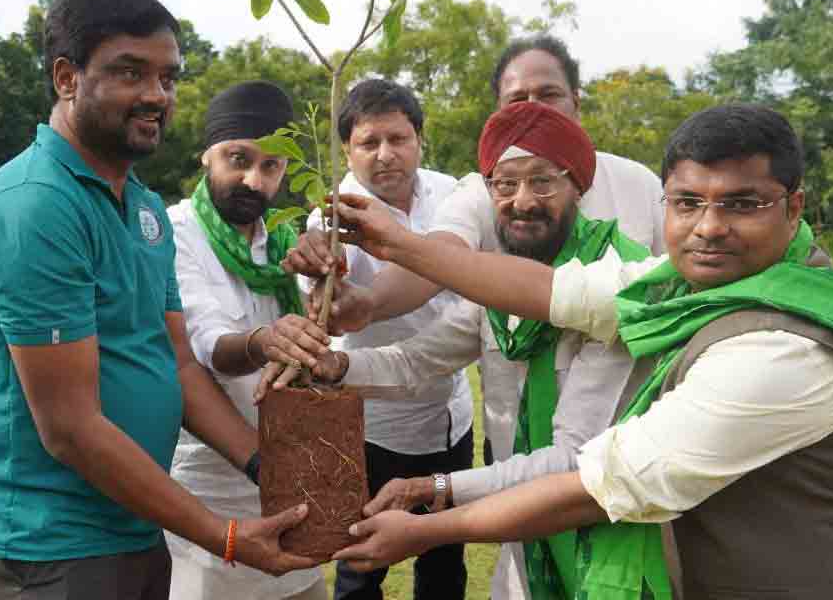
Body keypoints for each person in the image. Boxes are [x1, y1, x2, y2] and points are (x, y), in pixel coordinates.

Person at [287, 104, 833, 599]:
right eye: (689, 203)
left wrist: (432, 519)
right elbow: (551, 294)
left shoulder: (783, 348)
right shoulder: (672, 287)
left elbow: (601, 481)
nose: (710, 227)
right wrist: (387, 250)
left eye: (741, 205)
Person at [0, 0, 316, 600]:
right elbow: (69, 427)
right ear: (67, 78)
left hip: (133, 515)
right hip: (52, 540)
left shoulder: (141, 207)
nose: (156, 95)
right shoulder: (36, 208)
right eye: (129, 72)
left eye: (168, 77)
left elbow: (176, 363)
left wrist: (263, 466)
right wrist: (220, 534)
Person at [284, 35, 666, 599]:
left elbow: (569, 461)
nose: (522, 201)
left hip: (603, 516)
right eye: (505, 186)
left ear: (578, 185)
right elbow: (426, 354)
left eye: (543, 181)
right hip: (515, 493)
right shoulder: (497, 272)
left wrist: (434, 490)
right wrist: (335, 366)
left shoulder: (611, 282)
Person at [302, 79, 475, 600]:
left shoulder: (455, 196)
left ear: (420, 139)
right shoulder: (331, 221)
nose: (385, 155)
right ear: (346, 150)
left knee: (445, 556)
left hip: (451, 418)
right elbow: (327, 307)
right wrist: (323, 289)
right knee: (361, 562)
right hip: (370, 424)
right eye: (368, 143)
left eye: (398, 139)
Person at [165, 80, 331, 600]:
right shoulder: (175, 234)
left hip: (292, 481)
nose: (252, 180)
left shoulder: (285, 240)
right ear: (206, 157)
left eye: (270, 167)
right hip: (209, 497)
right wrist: (263, 341)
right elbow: (207, 346)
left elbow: (326, 336)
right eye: (238, 159)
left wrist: (328, 283)